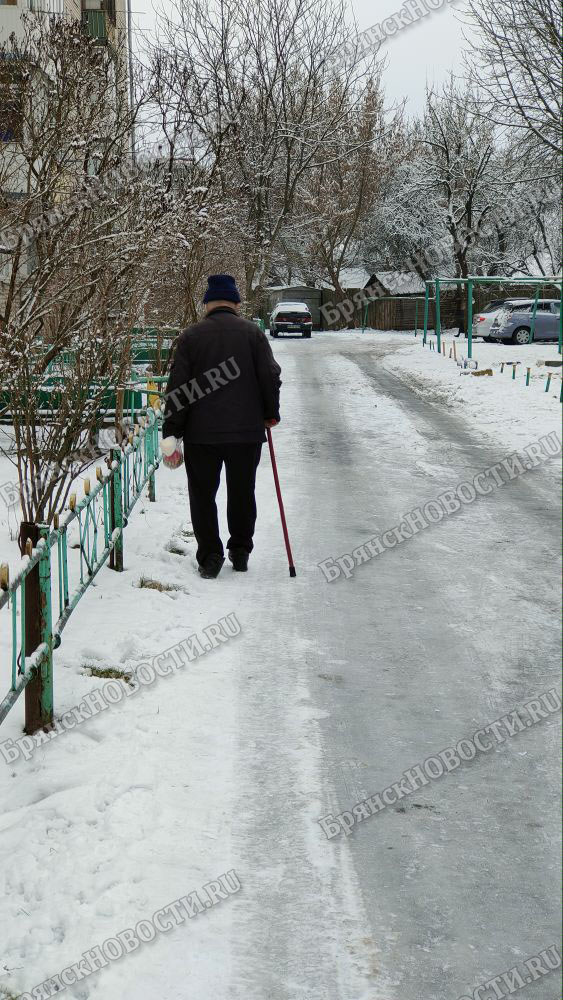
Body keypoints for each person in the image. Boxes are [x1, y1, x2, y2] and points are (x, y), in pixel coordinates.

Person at [161, 274, 282, 579]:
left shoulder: (191, 337)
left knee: (202, 494)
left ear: (207, 304)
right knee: (243, 491)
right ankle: (240, 550)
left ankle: (211, 556)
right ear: (237, 303)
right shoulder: (253, 334)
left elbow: (179, 387)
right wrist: (270, 412)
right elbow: (269, 375)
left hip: (202, 434)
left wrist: (171, 431)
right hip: (246, 433)